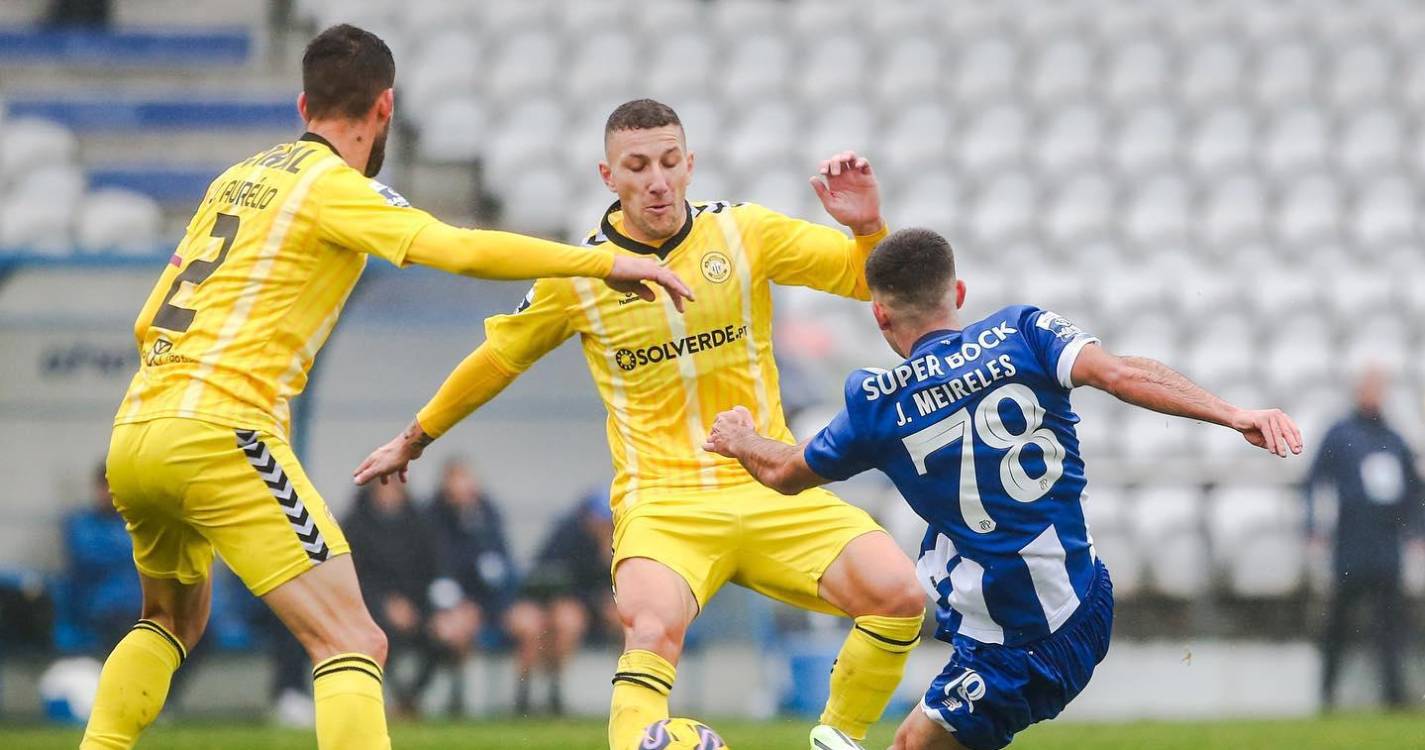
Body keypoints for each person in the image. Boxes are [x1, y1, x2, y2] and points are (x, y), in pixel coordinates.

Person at [86, 24, 692, 750]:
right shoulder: (334, 188)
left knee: (170, 621)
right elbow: (461, 247)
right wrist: (603, 264)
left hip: (136, 428)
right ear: (385, 110)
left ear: (303, 103)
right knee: (352, 640)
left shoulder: (236, 179)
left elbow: (148, 317)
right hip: (222, 430)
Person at [356, 98, 926, 750]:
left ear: (689, 166)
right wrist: (415, 436)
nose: (655, 179)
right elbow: (497, 359)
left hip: (770, 486)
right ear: (608, 176)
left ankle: (839, 739)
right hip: (663, 502)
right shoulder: (580, 276)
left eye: (667, 161)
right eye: (636, 165)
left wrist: (869, 227)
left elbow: (867, 281)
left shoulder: (745, 233)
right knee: (651, 630)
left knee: (899, 593)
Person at [704, 228, 1303, 750]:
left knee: (913, 746)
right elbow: (1121, 373)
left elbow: (785, 473)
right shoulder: (1024, 330)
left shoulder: (876, 402)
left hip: (1023, 641)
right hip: (1084, 593)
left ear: (880, 315)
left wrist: (740, 438)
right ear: (957, 294)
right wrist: (1232, 413)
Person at [1306, 364, 1424, 710]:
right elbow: (1315, 479)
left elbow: (1413, 491)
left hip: (1387, 547)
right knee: (1339, 625)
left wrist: (1415, 530)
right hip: (1350, 545)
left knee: (1390, 627)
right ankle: (1326, 697)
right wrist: (1314, 525)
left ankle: (1394, 698)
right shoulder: (1340, 434)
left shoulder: (1393, 437)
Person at [344, 480, 478, 717]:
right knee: (380, 640)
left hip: (419, 607)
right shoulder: (355, 525)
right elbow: (353, 579)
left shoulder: (420, 524)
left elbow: (438, 572)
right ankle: (387, 701)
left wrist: (448, 609)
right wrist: (386, 604)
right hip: (372, 610)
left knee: (441, 636)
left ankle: (410, 699)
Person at [505, 488, 621, 715]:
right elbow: (546, 575)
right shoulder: (567, 535)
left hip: (586, 608)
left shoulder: (618, 541)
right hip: (548, 601)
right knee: (542, 624)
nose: (603, 526)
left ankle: (627, 696)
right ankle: (523, 697)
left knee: (573, 622)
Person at [62, 463, 139, 651]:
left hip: (140, 607)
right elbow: (87, 555)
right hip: (101, 610)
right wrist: (130, 549)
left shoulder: (138, 521)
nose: (110, 492)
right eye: (105, 485)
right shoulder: (82, 523)